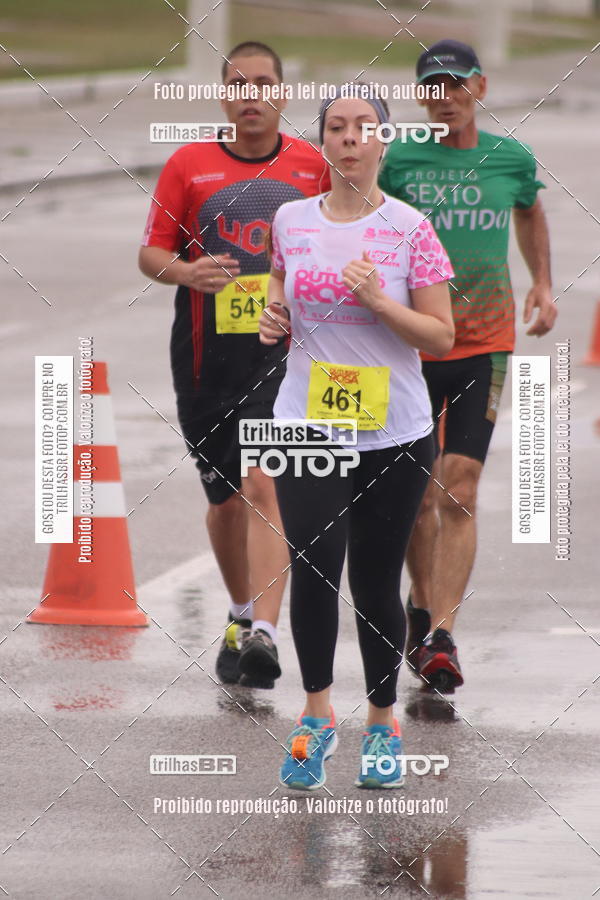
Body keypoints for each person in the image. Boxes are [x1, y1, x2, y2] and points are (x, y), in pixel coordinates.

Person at [259, 84, 454, 789]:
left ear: (383, 141)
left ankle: (381, 721)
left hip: (393, 430)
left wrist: (378, 302)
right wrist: (272, 318)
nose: (348, 138)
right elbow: (281, 287)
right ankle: (315, 716)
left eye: (362, 127)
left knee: (374, 580)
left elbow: (442, 333)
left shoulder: (411, 228)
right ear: (322, 141)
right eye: (336, 127)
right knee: (313, 565)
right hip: (307, 420)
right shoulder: (291, 219)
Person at [139, 42, 329, 688]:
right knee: (224, 503)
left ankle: (266, 636)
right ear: (224, 94)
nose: (252, 96)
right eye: (240, 84)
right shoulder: (188, 165)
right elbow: (151, 254)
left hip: (281, 358)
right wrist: (188, 270)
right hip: (203, 360)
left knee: (263, 483)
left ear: (282, 92)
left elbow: (337, 239)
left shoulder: (312, 167)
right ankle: (242, 613)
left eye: (264, 83)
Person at [379, 39, 557, 693]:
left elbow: (531, 210)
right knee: (415, 494)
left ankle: (442, 634)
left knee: (461, 486)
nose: (445, 97)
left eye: (457, 85)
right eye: (432, 87)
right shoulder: (396, 161)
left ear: (479, 88)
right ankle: (421, 609)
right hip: (410, 348)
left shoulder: (510, 158)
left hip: (485, 344)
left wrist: (542, 283)